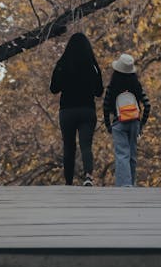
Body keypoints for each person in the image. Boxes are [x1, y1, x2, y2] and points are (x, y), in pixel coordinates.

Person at [50, 32, 103, 186]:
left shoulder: (63, 63)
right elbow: (99, 92)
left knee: (69, 146)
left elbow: (54, 88)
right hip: (87, 109)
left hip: (67, 110)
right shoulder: (92, 65)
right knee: (86, 144)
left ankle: (68, 181)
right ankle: (88, 176)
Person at [103, 53, 151, 187]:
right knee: (132, 154)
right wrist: (141, 124)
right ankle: (131, 183)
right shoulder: (136, 85)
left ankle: (125, 185)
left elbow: (106, 107)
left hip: (118, 123)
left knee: (122, 154)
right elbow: (147, 105)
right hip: (134, 122)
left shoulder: (112, 87)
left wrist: (108, 125)